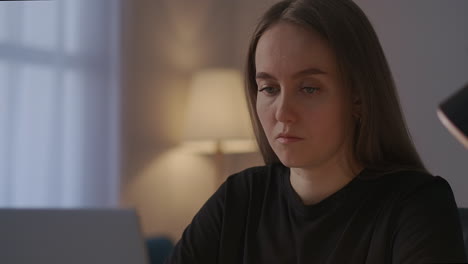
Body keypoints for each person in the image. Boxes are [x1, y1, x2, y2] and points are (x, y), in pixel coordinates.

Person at [165, 0, 467, 263]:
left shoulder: (417, 205)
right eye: (269, 88)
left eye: (309, 88)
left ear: (358, 97)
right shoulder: (239, 199)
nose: (283, 112)